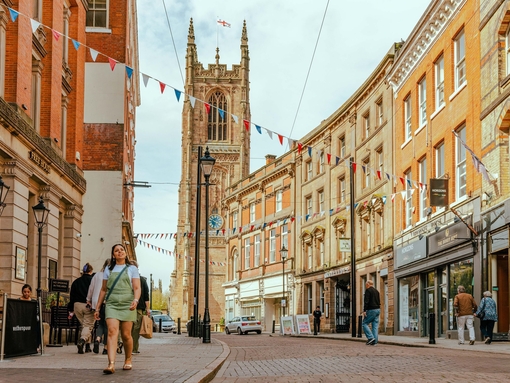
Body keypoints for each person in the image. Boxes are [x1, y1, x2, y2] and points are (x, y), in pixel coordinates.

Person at [94, 244, 141, 375]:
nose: (120, 252)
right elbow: (103, 290)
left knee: (126, 335)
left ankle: (128, 359)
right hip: (112, 304)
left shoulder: (132, 269)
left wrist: (135, 300)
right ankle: (111, 364)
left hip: (128, 303)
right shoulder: (108, 270)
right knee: (111, 331)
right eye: (116, 250)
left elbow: (137, 288)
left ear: (125, 253)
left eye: (122, 250)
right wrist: (97, 307)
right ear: (113, 255)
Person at [69, 263, 95, 354]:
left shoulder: (76, 281)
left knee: (84, 326)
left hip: (77, 305)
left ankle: (87, 346)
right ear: (91, 271)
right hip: (88, 305)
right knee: (88, 325)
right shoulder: (92, 281)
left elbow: (71, 296)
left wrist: (71, 308)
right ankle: (82, 340)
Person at [87, 258, 110, 354]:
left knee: (100, 324)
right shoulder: (112, 275)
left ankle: (97, 339)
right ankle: (105, 348)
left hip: (96, 301)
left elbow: (91, 288)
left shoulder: (97, 275)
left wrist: (88, 300)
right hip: (108, 302)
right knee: (108, 325)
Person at [130, 260, 150, 354]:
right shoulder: (142, 280)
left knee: (127, 326)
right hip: (138, 307)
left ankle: (122, 344)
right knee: (136, 328)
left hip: (127, 305)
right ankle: (133, 348)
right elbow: (146, 296)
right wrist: (148, 309)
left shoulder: (126, 278)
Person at [362, 280, 380, 346]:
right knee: (375, 326)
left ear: (368, 284)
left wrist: (364, 310)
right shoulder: (377, 291)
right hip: (377, 309)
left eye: (366, 284)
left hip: (371, 309)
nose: (365, 286)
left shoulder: (368, 290)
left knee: (364, 323)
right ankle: (375, 342)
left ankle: (370, 338)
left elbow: (366, 301)